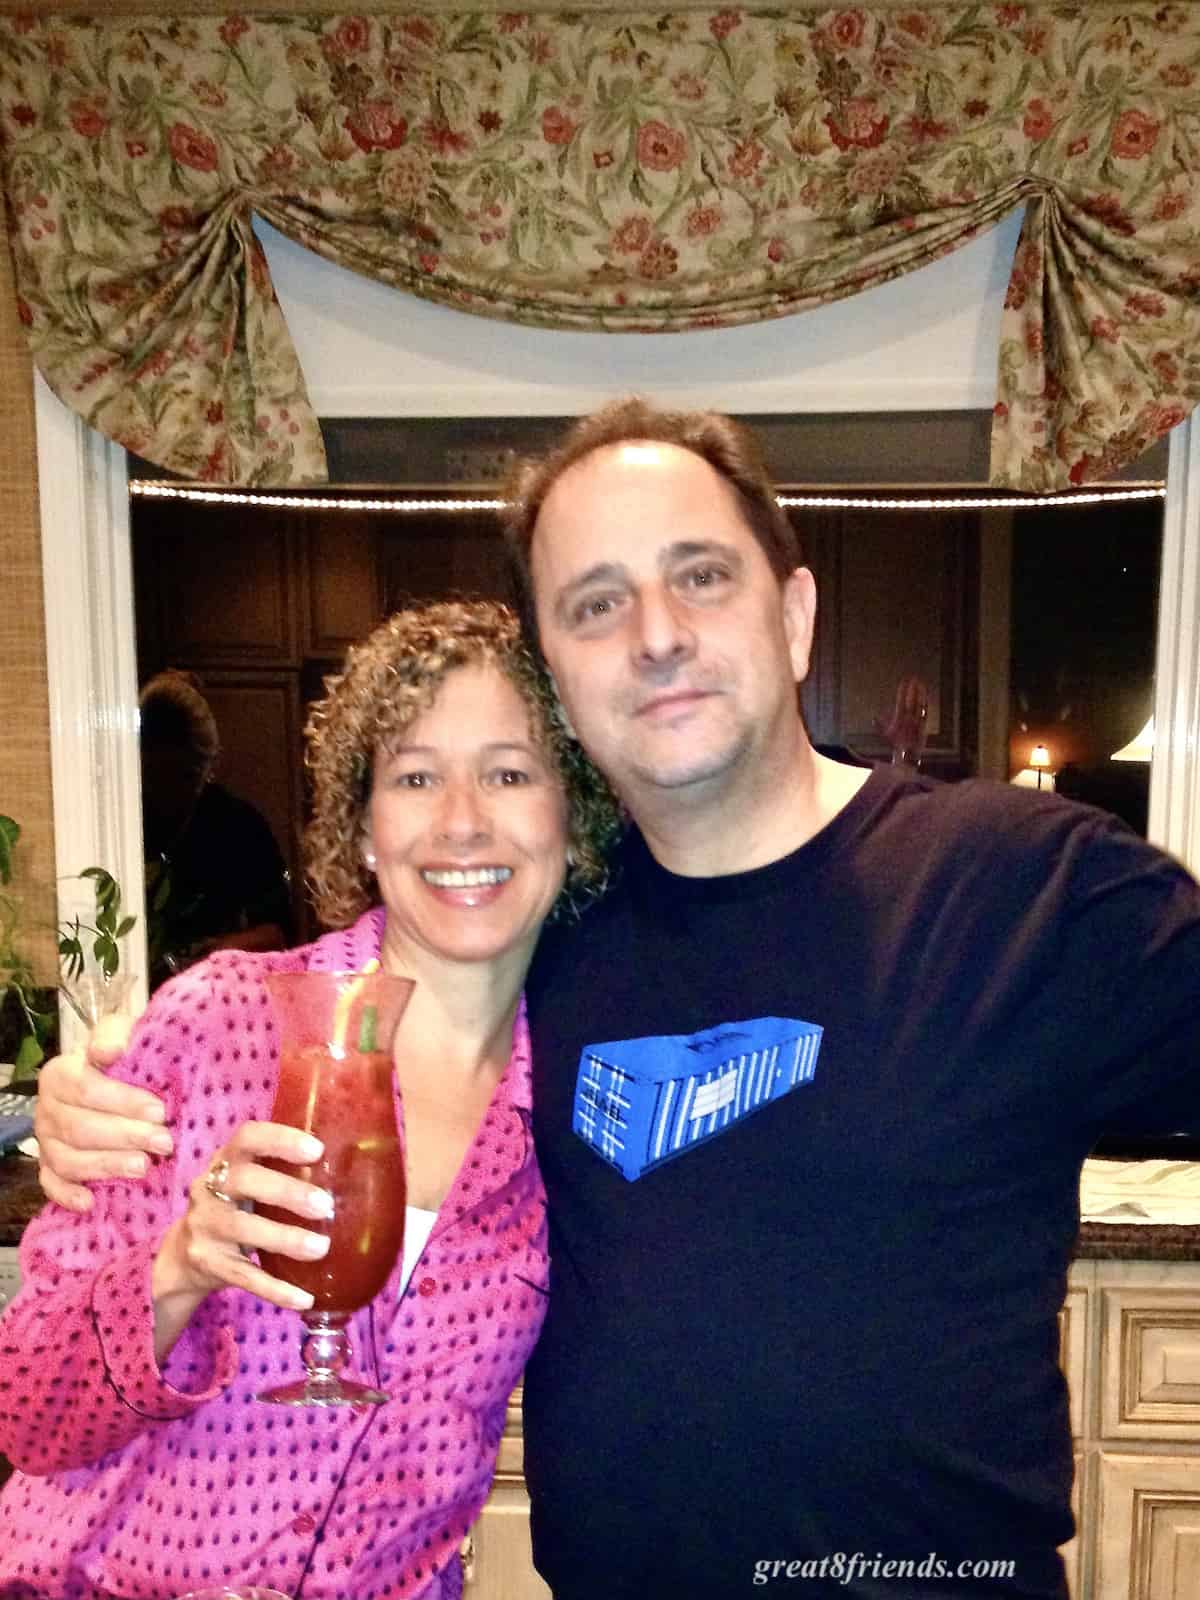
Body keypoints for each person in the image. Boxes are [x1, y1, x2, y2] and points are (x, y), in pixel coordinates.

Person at [35, 400, 1200, 1600]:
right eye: (596, 602)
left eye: (699, 575)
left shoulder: (1026, 886)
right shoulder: (549, 940)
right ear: (561, 673)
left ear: (793, 617)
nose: (654, 634)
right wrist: (95, 1089)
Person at [0, 600, 617, 1600]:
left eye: (509, 772)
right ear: (363, 827)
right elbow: (29, 1409)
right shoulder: (217, 1028)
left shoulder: (582, 1115)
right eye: (415, 776)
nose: (462, 818)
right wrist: (178, 1270)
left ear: (571, 817)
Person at [139, 669, 293, 985]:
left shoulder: (238, 826)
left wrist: (219, 951)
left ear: (205, 767)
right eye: (156, 778)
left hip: (219, 990)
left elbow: (277, 933)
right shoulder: (124, 821)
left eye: (184, 778)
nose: (170, 797)